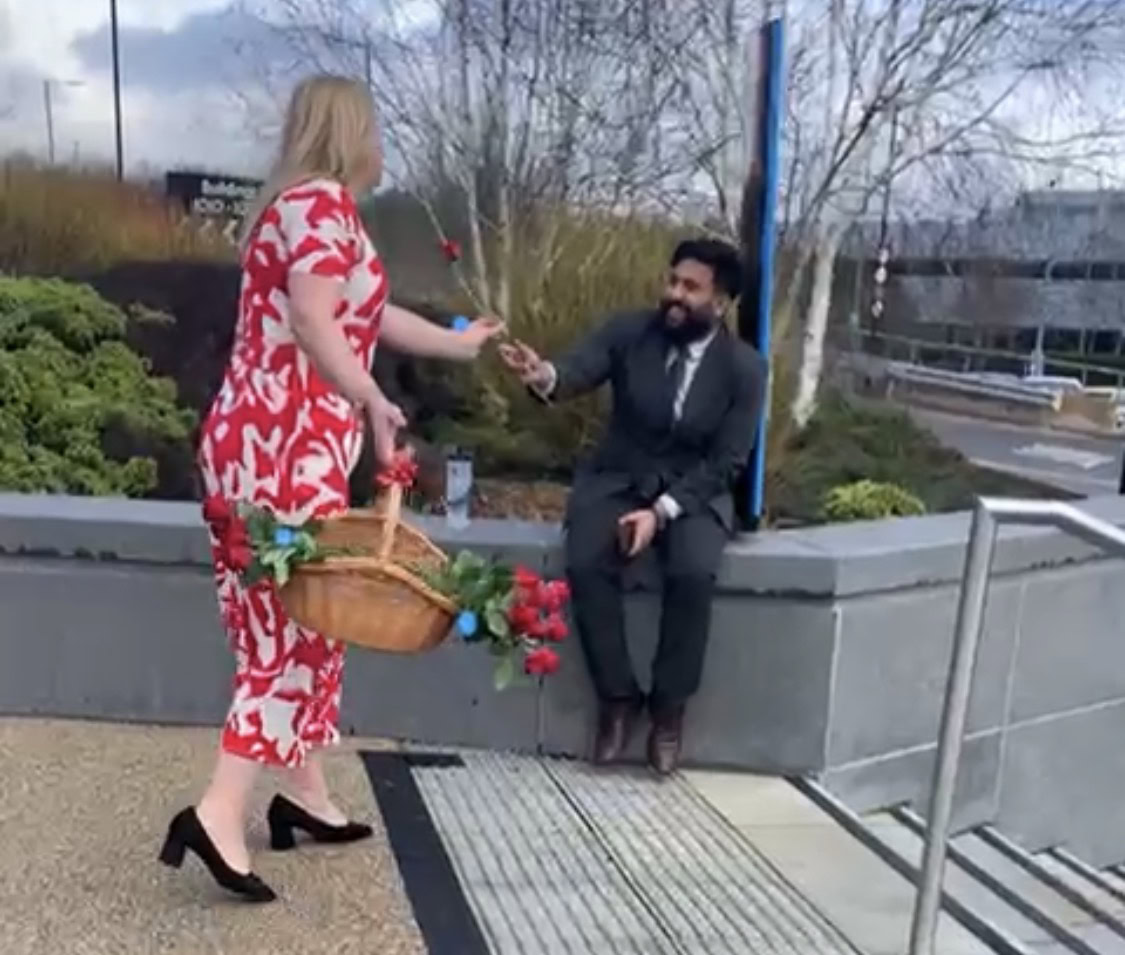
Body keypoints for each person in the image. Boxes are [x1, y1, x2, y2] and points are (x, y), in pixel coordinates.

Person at [159, 74, 503, 903]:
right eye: (373, 128)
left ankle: (304, 793)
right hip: (281, 444)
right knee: (292, 623)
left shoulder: (310, 210)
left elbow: (362, 315)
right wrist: (372, 397)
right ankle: (217, 810)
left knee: (306, 614)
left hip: (271, 441)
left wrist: (459, 343)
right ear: (351, 131)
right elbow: (316, 321)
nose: (381, 143)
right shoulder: (318, 206)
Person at [499, 239, 766, 776]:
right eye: (673, 281)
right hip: (619, 477)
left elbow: (728, 461)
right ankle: (617, 699)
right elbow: (577, 369)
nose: (675, 295)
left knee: (692, 572)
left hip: (694, 490)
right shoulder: (630, 331)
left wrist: (661, 512)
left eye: (691, 288)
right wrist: (544, 375)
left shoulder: (745, 369)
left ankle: (668, 711)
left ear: (720, 303)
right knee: (585, 560)